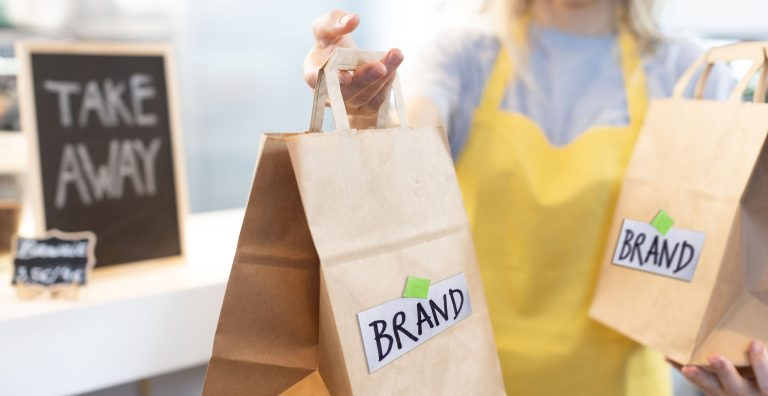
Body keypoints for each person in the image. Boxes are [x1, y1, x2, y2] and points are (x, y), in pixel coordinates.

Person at [303, 1, 768, 395]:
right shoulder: (465, 57)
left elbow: (737, 248)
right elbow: (404, 160)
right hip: (462, 377)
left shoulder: (683, 69)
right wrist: (365, 104)